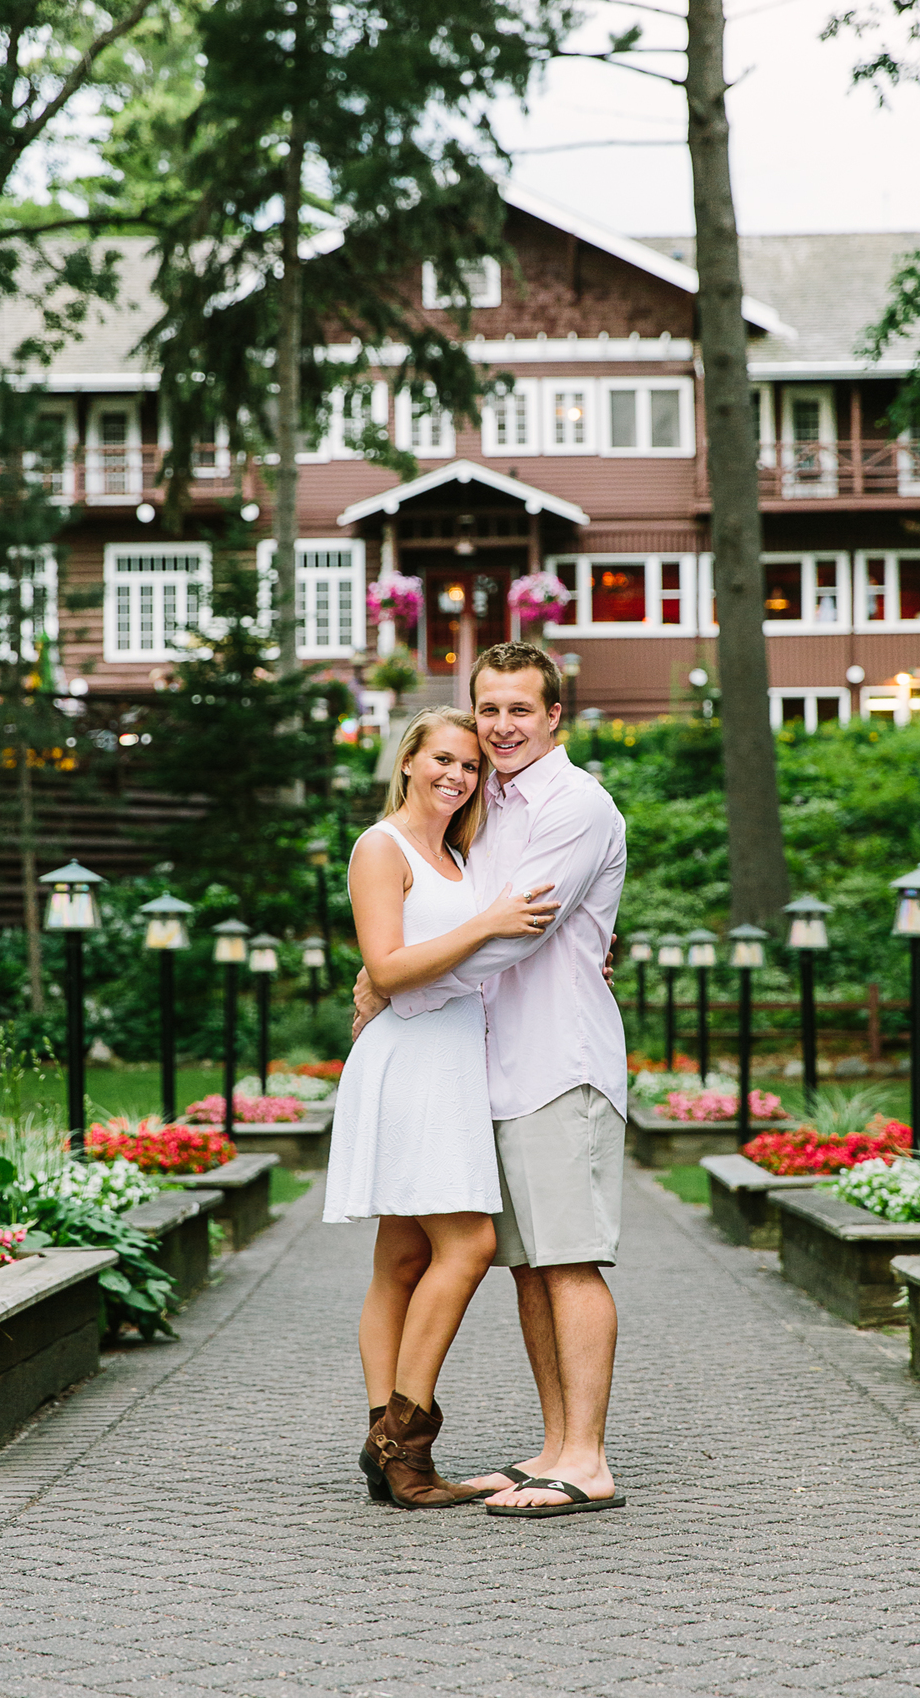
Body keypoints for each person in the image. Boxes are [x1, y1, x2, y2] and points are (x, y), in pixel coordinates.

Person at [356, 642, 630, 1520]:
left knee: (570, 1260)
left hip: (559, 1063)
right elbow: (463, 909)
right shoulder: (489, 804)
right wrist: (395, 969)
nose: (502, 727)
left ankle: (586, 1458)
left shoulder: (576, 805)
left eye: (521, 709)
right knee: (527, 1265)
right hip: (492, 1071)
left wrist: (393, 980)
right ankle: (553, 1445)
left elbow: (518, 935)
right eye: (488, 711)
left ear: (556, 716)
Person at [327, 707, 560, 1509]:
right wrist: (490, 921)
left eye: (470, 766)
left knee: (401, 1259)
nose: (458, 776)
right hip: (412, 1063)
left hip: (456, 1059)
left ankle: (386, 1451)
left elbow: (473, 960)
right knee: (469, 1242)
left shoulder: (459, 854)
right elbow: (387, 968)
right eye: (444, 760)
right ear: (409, 760)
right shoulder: (379, 847)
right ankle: (403, 1440)